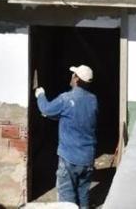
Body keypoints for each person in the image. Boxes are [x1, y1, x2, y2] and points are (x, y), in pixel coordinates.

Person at [35, 65, 98, 209]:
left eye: (73, 74)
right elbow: (76, 116)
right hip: (87, 158)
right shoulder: (93, 100)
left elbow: (45, 108)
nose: (71, 77)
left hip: (69, 158)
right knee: (83, 195)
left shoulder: (66, 99)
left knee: (66, 200)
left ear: (76, 79)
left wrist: (40, 95)